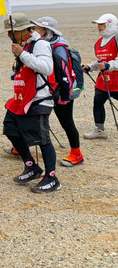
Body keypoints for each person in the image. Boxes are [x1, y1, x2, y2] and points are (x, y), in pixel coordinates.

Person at [2, 13, 60, 193]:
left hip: (38, 99)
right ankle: (31, 166)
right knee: (10, 129)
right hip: (21, 99)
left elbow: (46, 68)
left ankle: (52, 178)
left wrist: (23, 54)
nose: (9, 36)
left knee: (43, 140)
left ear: (23, 30)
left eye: (12, 32)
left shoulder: (40, 44)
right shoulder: (25, 45)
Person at [29, 17, 84, 166]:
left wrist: (62, 93)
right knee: (33, 117)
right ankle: (23, 146)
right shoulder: (40, 45)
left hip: (60, 91)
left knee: (66, 122)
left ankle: (76, 154)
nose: (34, 31)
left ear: (47, 31)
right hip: (47, 88)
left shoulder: (59, 48)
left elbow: (62, 73)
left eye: (38, 28)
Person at [82, 13, 118, 139]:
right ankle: (99, 130)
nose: (99, 27)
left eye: (101, 25)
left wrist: (109, 66)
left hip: (117, 81)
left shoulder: (116, 39)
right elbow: (100, 61)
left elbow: (109, 63)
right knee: (97, 103)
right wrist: (90, 67)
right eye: (98, 25)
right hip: (103, 81)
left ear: (109, 24)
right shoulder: (99, 42)